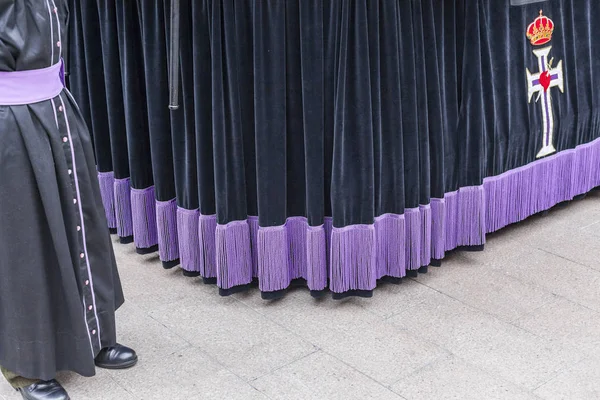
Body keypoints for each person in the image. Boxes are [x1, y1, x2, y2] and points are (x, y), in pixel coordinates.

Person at [0, 1, 137, 399]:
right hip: (8, 116)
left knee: (80, 224)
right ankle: (25, 365)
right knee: (22, 242)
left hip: (55, 105)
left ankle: (91, 333)